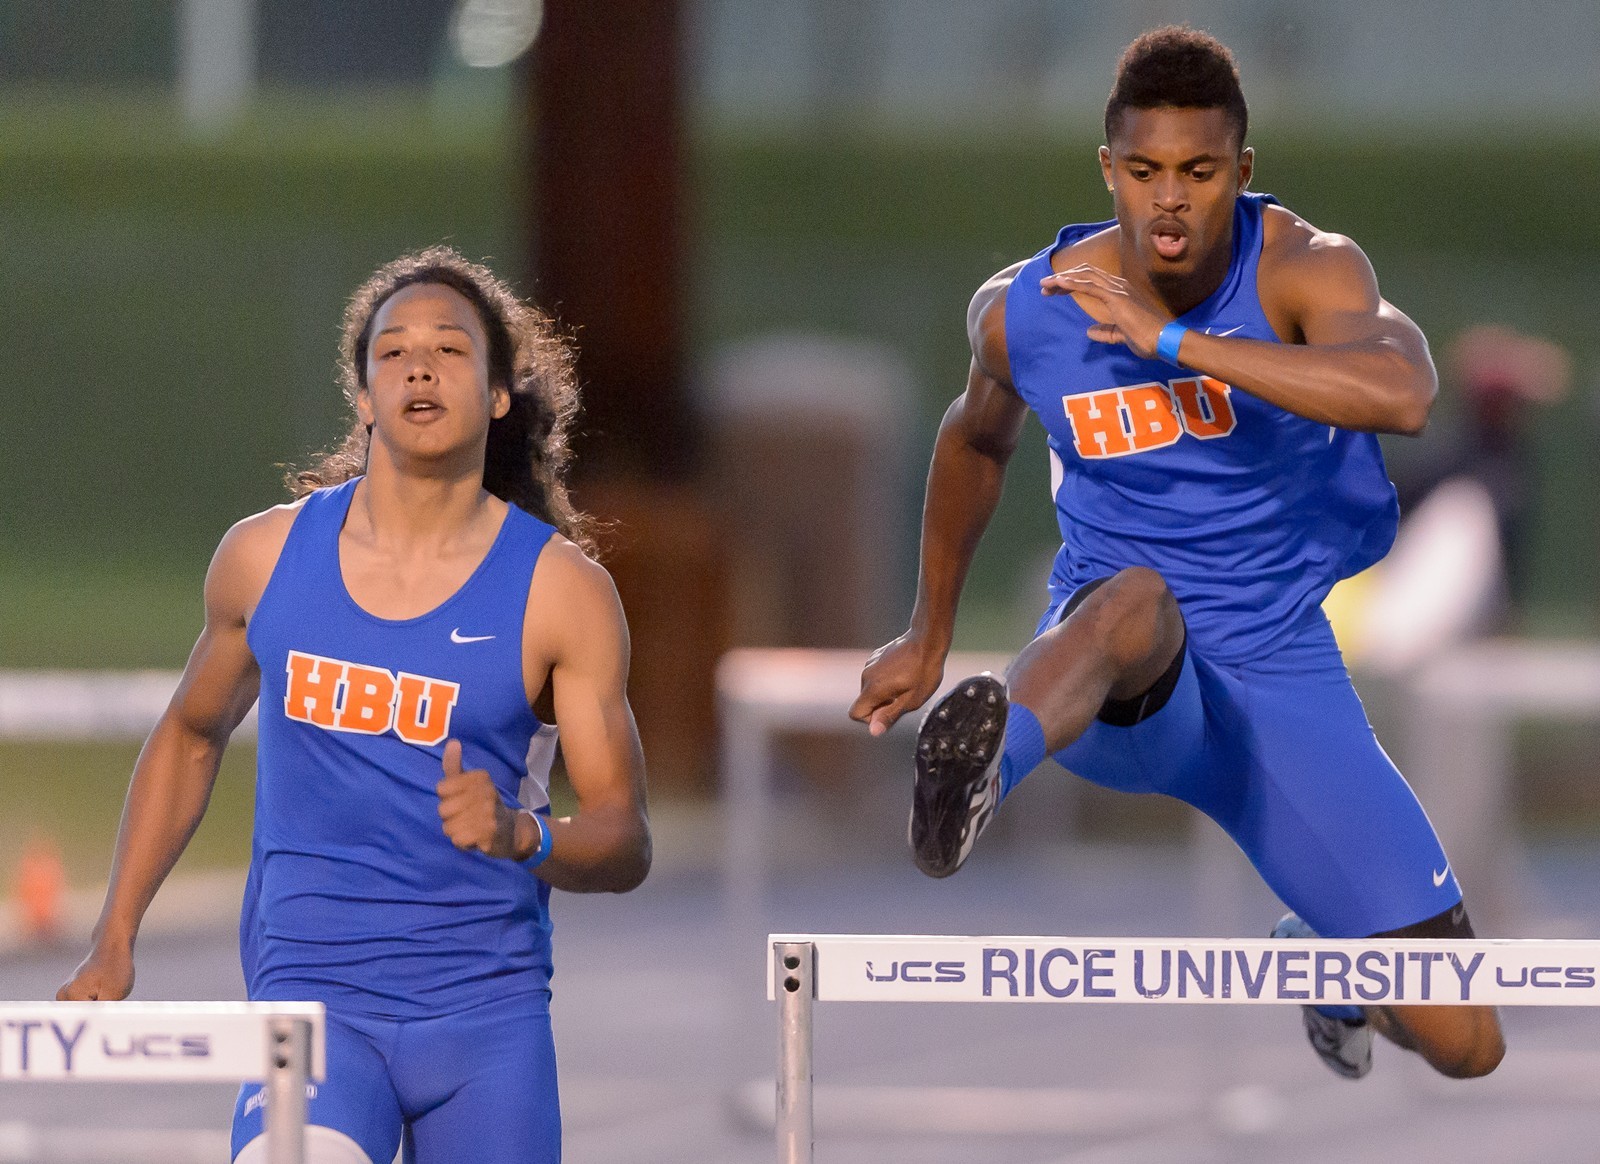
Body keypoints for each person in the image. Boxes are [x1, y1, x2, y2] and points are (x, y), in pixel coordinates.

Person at [849, 26, 1505, 1082]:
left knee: (1468, 1042)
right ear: (1107, 169)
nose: (1168, 200)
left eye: (1197, 174)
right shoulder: (1029, 309)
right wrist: (926, 636)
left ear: (1240, 174)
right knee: (1132, 599)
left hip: (1281, 683)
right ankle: (976, 769)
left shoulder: (1304, 268)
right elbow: (974, 436)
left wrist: (1168, 344)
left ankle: (1329, 965)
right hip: (1117, 680)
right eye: (1145, 172)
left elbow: (1403, 393)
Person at [57, 246, 652, 1162]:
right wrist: (114, 935)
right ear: (365, 396)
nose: (421, 366)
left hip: (486, 1021)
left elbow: (625, 836)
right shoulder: (264, 560)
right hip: (313, 1011)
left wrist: (522, 834)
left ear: (499, 395)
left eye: (452, 351)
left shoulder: (559, 593)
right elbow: (188, 734)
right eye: (394, 352)